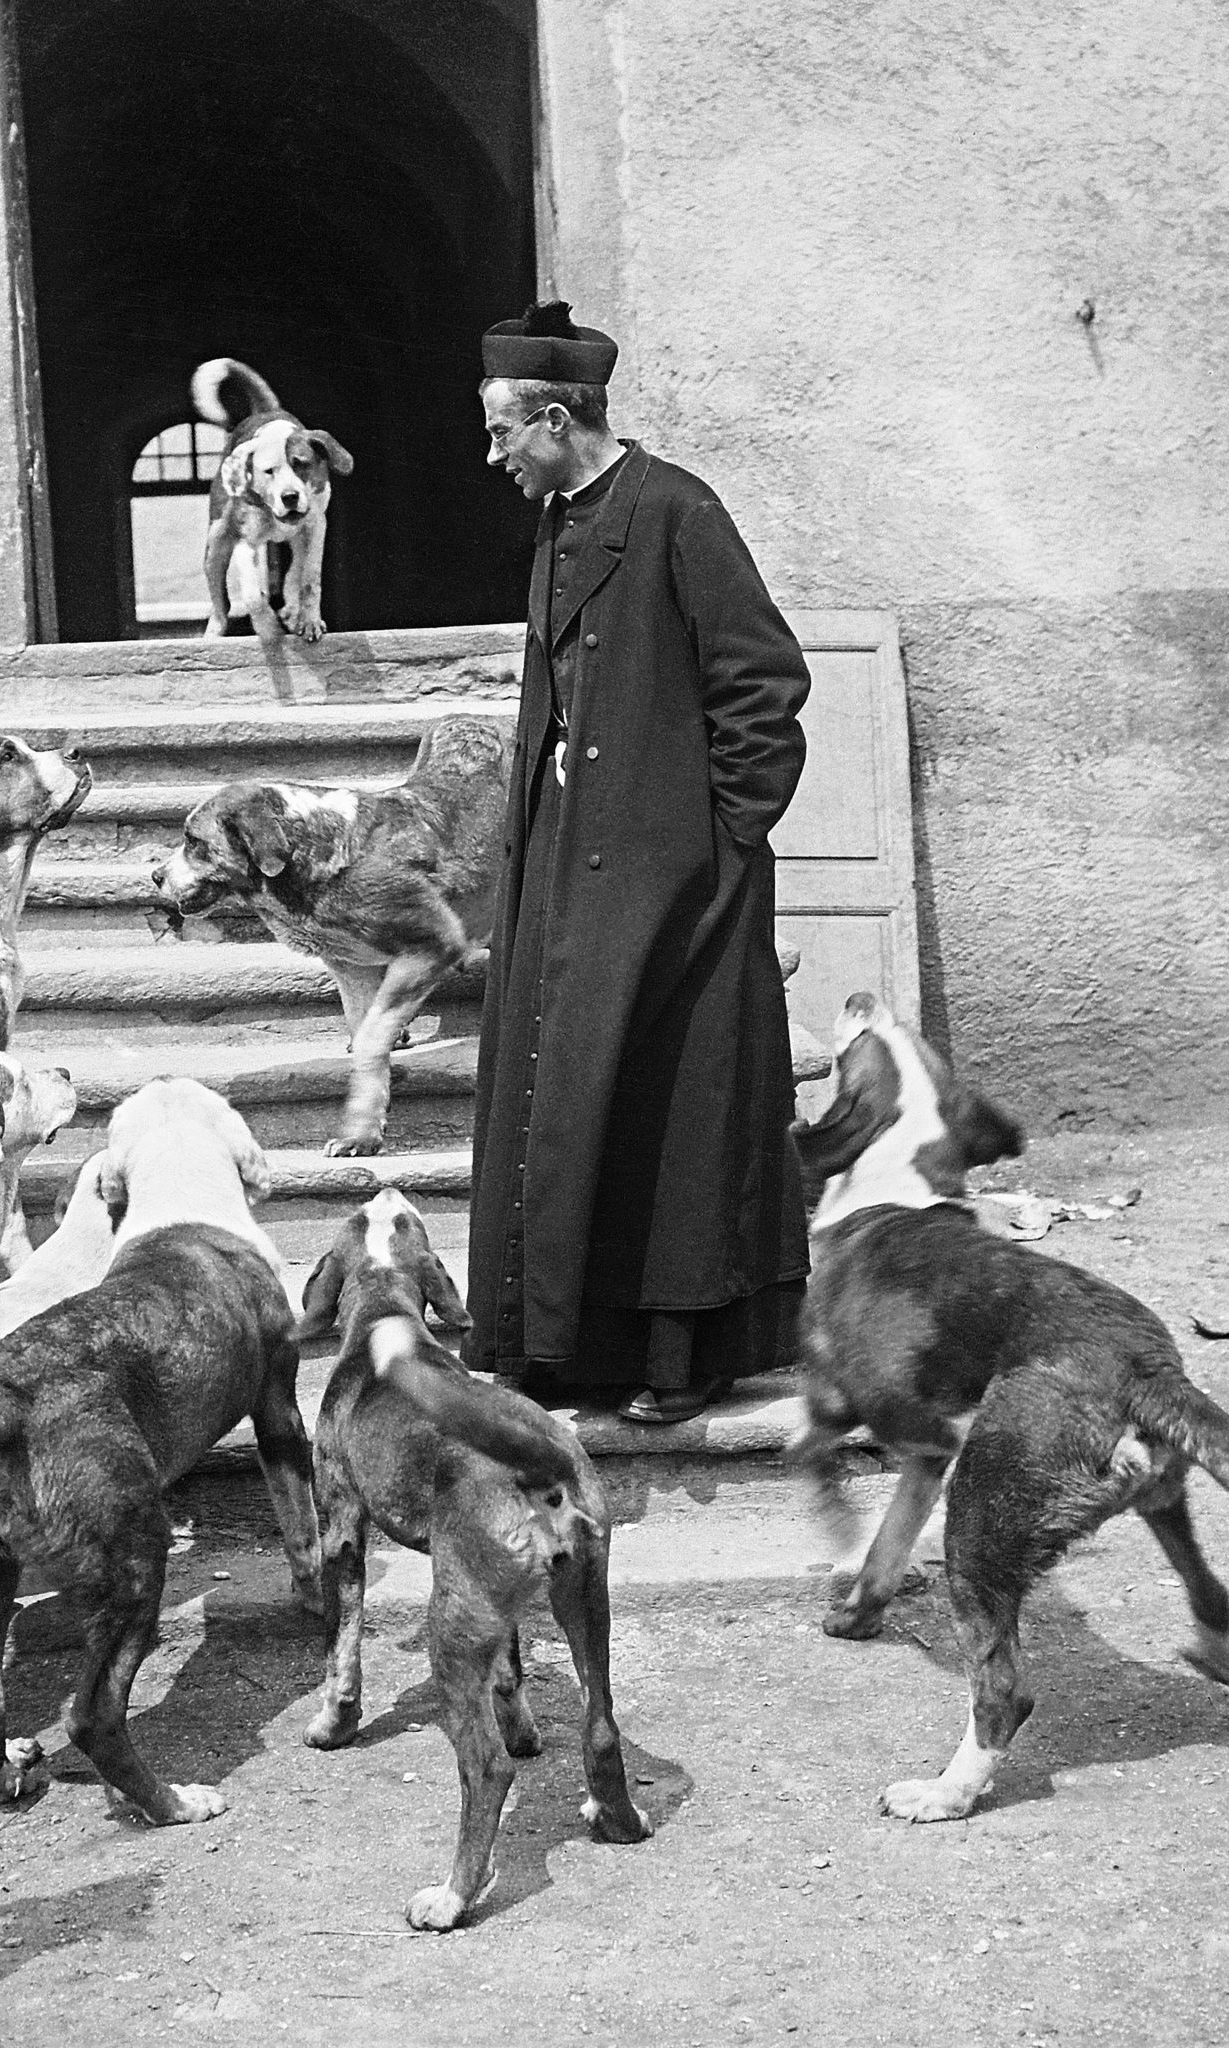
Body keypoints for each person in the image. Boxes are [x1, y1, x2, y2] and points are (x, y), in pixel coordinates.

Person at [466, 300, 813, 1425]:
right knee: (567, 1100)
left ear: (556, 420)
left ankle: (681, 1357)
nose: (492, 456)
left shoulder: (678, 512)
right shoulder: (566, 517)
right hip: (572, 871)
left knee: (674, 1112)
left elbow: (762, 685)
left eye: (500, 433)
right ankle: (559, 1348)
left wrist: (721, 847)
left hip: (680, 886)